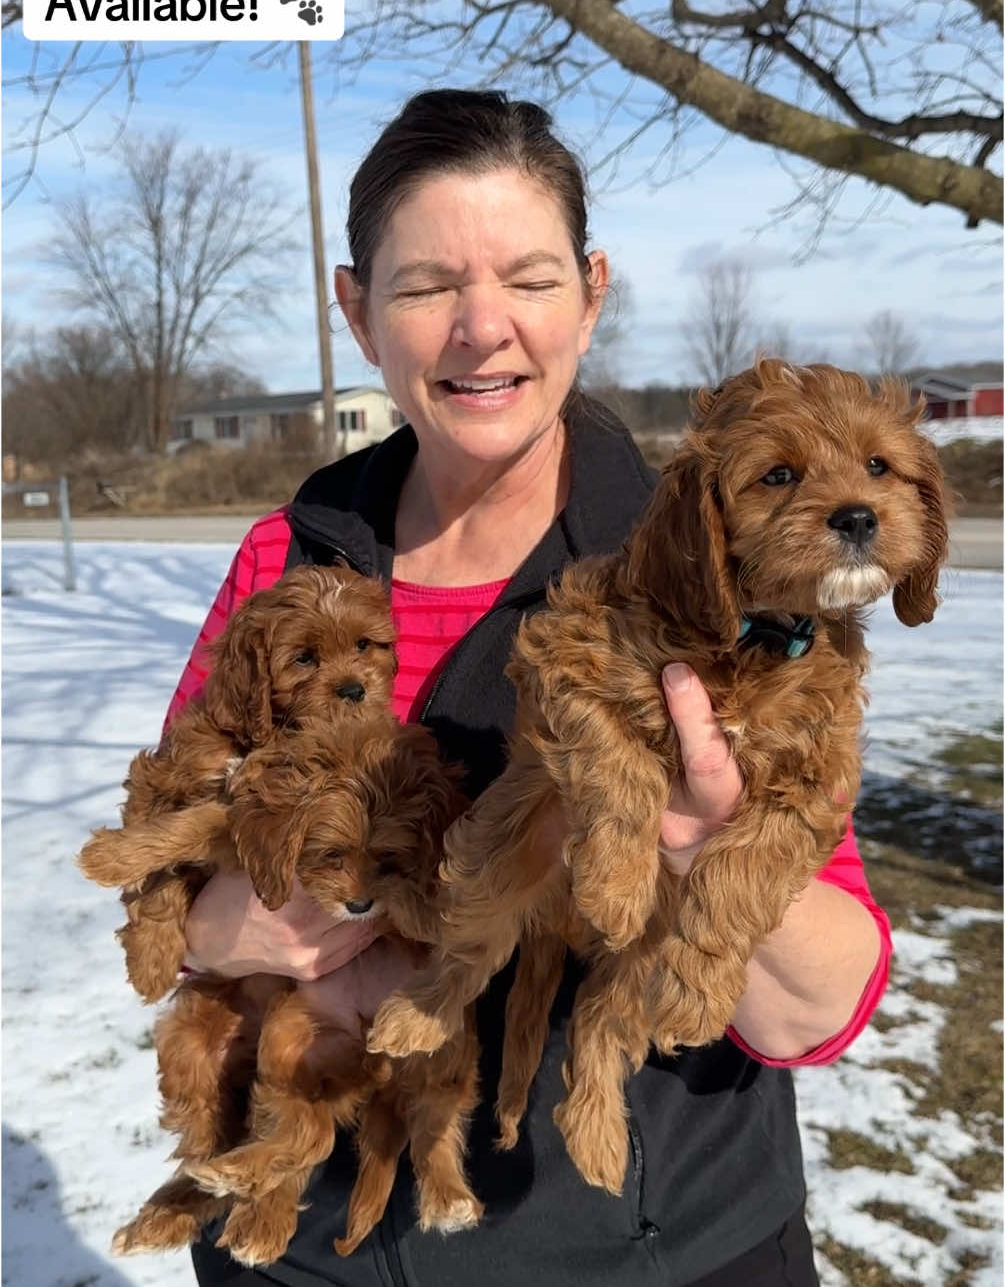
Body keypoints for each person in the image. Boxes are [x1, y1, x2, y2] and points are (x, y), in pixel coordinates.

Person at [172, 89, 891, 1287]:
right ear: (356, 312)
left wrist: (709, 849)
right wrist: (222, 927)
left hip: (645, 1251)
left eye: (531, 277)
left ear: (593, 292)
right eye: (424, 287)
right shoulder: (285, 556)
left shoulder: (711, 554)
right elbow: (175, 874)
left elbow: (810, 1013)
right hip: (306, 1244)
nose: (482, 327)